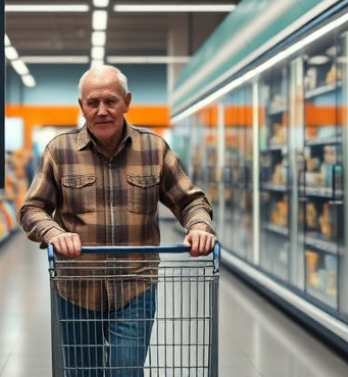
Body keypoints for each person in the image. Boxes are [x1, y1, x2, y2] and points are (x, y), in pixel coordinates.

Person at [20, 65, 217, 376]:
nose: (101, 111)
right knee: (83, 373)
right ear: (81, 105)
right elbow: (31, 209)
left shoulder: (154, 149)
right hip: (76, 289)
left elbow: (191, 201)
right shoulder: (60, 150)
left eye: (110, 101)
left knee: (126, 371)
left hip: (135, 289)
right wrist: (54, 233)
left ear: (127, 101)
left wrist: (199, 226)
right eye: (92, 103)